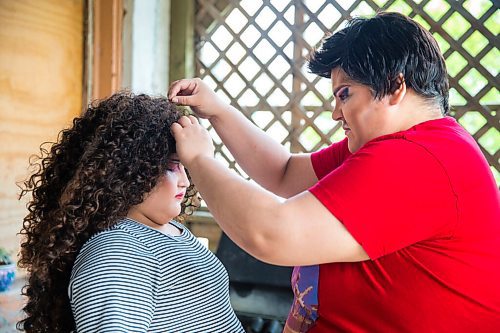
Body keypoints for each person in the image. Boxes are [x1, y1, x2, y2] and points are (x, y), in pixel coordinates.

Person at [168, 12, 500, 332]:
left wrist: (200, 159)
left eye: (345, 94)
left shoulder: (421, 159)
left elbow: (271, 234)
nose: (335, 113)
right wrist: (218, 112)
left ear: (394, 86)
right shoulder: (392, 146)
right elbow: (283, 173)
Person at [17, 92, 244, 333]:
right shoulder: (116, 251)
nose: (185, 182)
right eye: (170, 167)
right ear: (127, 171)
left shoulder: (170, 231)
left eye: (184, 167)